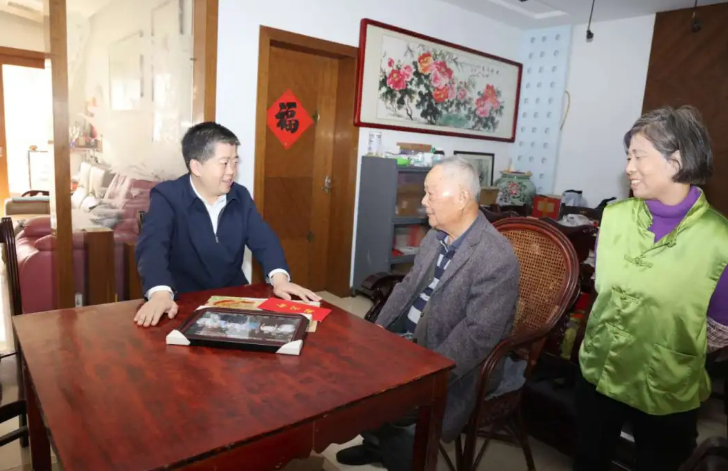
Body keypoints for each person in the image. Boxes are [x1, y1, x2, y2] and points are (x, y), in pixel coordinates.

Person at [336, 156, 520, 471]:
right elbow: (407, 286)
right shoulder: (436, 236)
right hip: (411, 340)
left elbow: (478, 336)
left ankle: (402, 459)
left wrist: (427, 372)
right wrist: (377, 330)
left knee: (396, 396)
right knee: (355, 365)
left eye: (430, 194)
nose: (423, 202)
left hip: (450, 357)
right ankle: (376, 444)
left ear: (461, 198)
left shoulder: (496, 256)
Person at [574, 106, 728, 471]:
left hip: (666, 385)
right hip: (598, 371)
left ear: (677, 161)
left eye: (638, 156)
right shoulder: (614, 217)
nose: (628, 167)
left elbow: (720, 329)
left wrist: (668, 346)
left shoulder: (719, 240)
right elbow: (602, 291)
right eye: (628, 156)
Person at [134, 122, 320, 327]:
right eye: (224, 163)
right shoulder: (167, 196)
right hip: (183, 301)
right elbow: (152, 247)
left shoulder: (239, 195)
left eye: (235, 162)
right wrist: (160, 294)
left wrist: (280, 280)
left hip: (233, 299)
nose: (232, 171)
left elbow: (264, 240)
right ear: (196, 166)